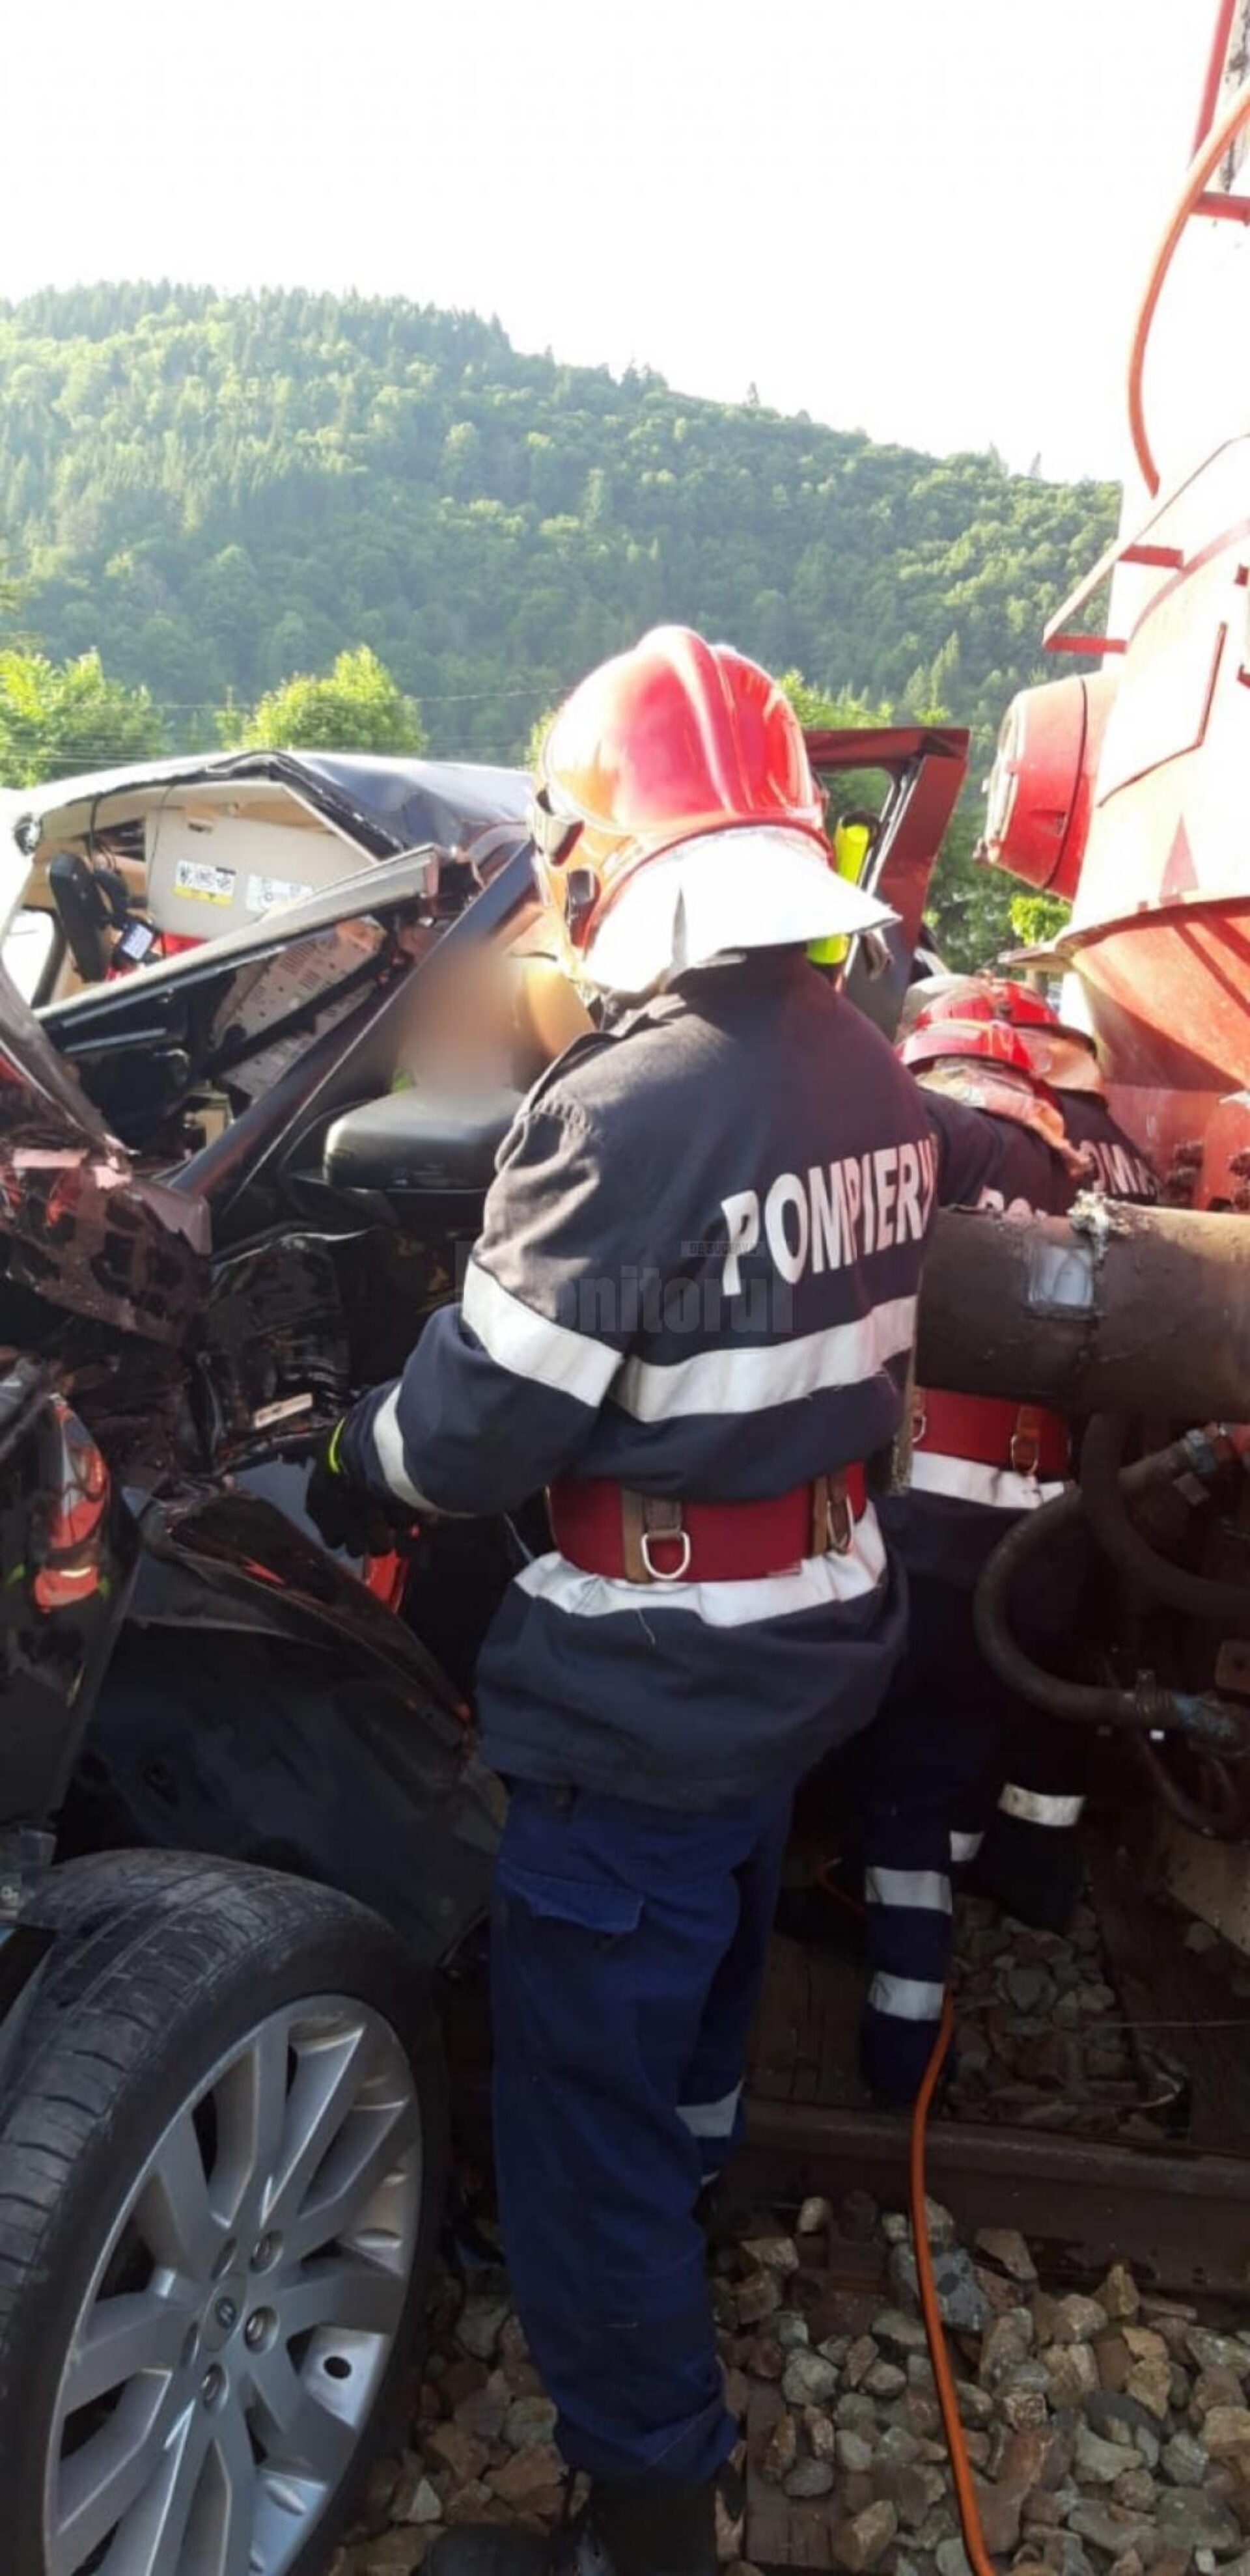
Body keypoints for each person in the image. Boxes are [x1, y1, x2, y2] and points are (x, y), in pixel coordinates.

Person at [308, 625, 988, 2576]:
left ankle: (650, 2510)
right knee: (701, 1983)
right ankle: (679, 2193)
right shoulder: (867, 1070)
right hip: (800, 1654)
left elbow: (476, 1424)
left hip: (643, 1693)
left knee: (579, 2105)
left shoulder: (623, 1112)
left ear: (602, 859)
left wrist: (351, 1455)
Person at [850, 981, 1094, 2107]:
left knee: (886, 1770)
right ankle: (920, 1924)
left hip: (921, 1523)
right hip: (1037, 1539)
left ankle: (899, 2040)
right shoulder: (1069, 1171)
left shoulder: (927, 1131)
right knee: (947, 1757)